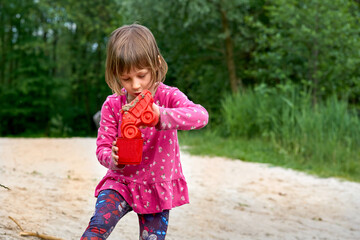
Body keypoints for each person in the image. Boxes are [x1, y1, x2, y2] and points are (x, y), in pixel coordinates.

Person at [81, 24, 209, 240]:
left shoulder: (168, 96)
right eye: (126, 78)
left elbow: (201, 116)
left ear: (156, 63)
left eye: (141, 75)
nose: (136, 85)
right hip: (119, 182)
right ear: (115, 74)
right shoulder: (113, 105)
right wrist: (113, 159)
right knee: (98, 225)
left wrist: (161, 116)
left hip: (156, 186)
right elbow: (102, 148)